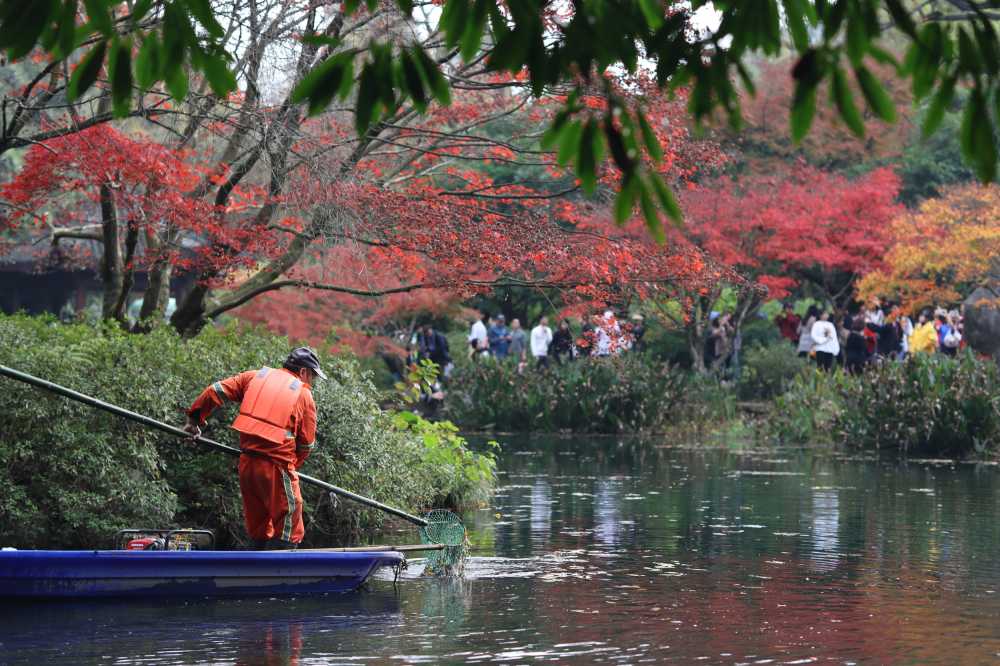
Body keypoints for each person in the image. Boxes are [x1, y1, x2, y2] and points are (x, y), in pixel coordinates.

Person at [183, 348, 324, 550]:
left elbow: (215, 390)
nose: (312, 383)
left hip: (247, 466)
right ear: (303, 372)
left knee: (258, 526)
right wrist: (291, 467)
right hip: (278, 466)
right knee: (289, 526)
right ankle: (277, 574)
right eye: (312, 376)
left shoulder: (255, 376)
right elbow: (306, 444)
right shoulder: (304, 394)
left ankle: (253, 571)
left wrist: (194, 420)